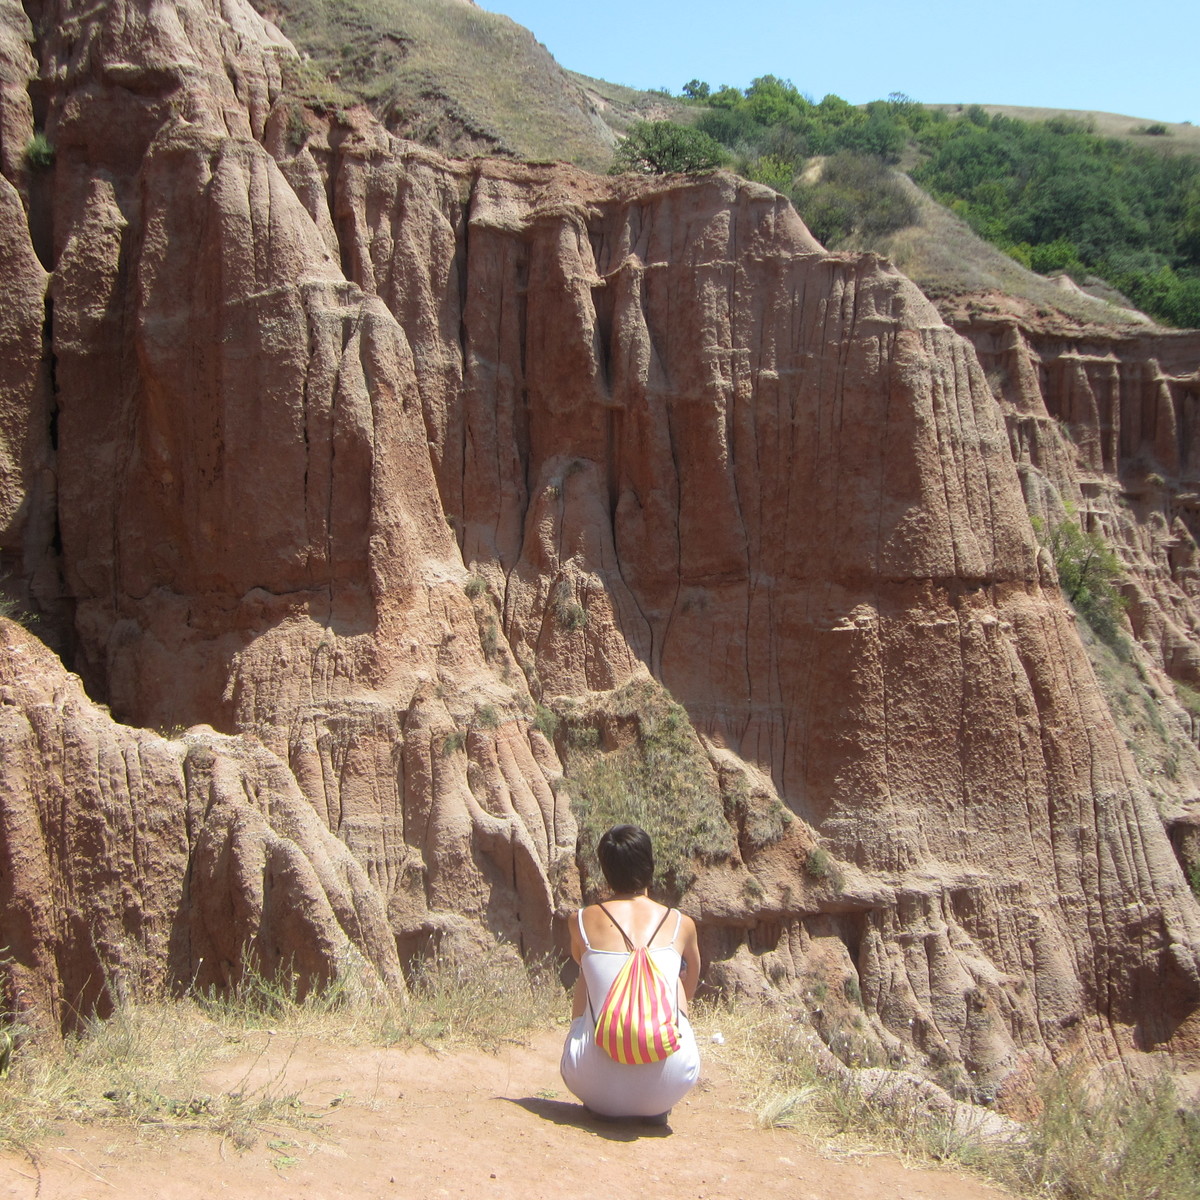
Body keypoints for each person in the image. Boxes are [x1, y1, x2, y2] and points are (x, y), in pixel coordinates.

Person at [559, 824, 701, 1121]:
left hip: (592, 1085)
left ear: (605, 870)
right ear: (650, 865)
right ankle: (655, 1082)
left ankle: (604, 1074)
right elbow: (691, 981)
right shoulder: (680, 923)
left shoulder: (580, 921)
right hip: (669, 1085)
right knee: (674, 978)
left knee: (587, 970)